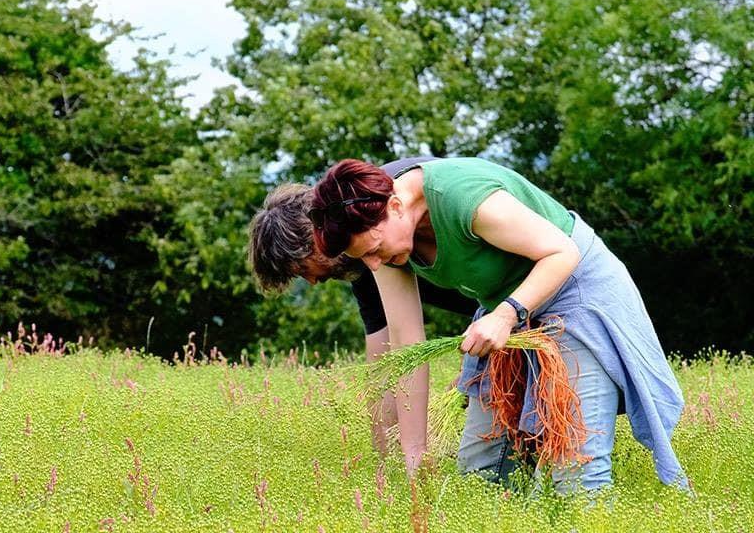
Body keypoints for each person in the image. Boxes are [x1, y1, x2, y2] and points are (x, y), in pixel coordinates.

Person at [310, 157, 687, 491]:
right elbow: (408, 345)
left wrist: (507, 315)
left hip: (572, 290)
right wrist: (415, 455)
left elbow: (561, 252)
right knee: (481, 474)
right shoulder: (388, 248)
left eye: (374, 251)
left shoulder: (466, 197)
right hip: (506, 309)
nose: (374, 265)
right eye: (365, 259)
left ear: (394, 205)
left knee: (574, 475)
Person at [248, 157, 476, 455]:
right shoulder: (363, 264)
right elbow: (382, 361)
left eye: (303, 270)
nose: (313, 282)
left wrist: (414, 453)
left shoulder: (376, 217)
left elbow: (408, 344)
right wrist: (384, 455)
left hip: (531, 289)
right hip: (493, 313)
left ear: (309, 238)